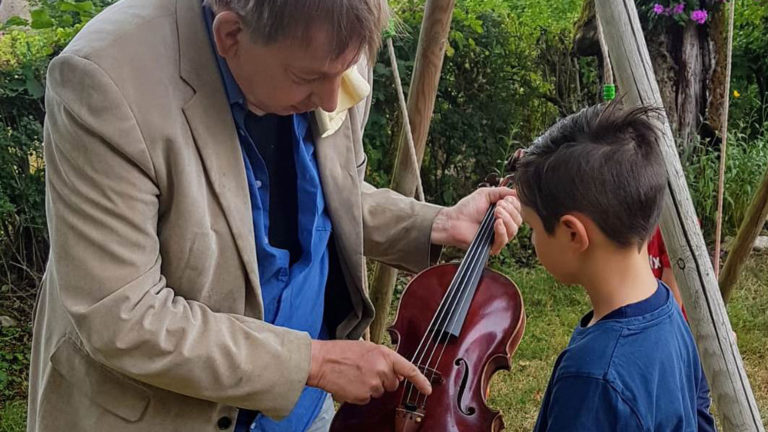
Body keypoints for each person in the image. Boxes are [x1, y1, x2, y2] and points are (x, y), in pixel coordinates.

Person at [26, 0, 523, 431]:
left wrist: (434, 223)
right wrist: (312, 363)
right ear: (231, 35)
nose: (332, 99)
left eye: (344, 72)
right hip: (168, 414)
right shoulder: (106, 82)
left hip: (303, 409)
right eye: (308, 79)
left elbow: (332, 193)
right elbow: (124, 314)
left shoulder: (332, 40)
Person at [513, 102, 716, 431]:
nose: (533, 239)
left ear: (572, 233)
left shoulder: (593, 379)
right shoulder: (668, 312)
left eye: (533, 228)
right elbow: (698, 415)